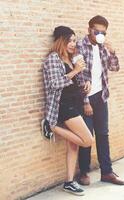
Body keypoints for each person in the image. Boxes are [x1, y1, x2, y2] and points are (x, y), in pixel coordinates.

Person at [41, 26, 94, 196]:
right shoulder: (52, 59)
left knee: (73, 145)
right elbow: (55, 84)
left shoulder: (71, 59)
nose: (73, 44)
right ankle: (52, 127)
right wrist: (76, 71)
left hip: (75, 103)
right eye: (70, 40)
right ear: (61, 40)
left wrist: (85, 84)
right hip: (63, 106)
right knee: (87, 141)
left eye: (74, 41)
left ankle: (69, 182)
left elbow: (75, 81)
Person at [76, 15, 124, 186]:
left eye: (103, 32)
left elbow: (115, 68)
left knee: (103, 135)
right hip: (86, 98)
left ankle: (107, 172)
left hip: (102, 97)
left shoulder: (104, 47)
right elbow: (79, 77)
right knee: (87, 136)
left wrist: (112, 52)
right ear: (89, 29)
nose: (100, 35)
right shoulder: (79, 47)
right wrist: (85, 101)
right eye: (97, 31)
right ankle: (83, 172)